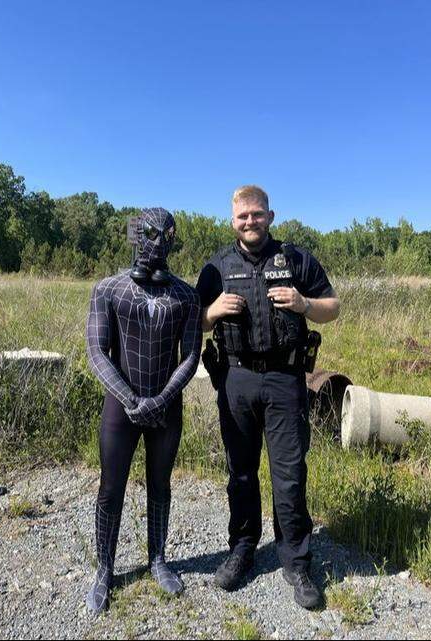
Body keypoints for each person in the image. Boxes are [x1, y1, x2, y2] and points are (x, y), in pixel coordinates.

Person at [195, 185, 340, 609]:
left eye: (257, 215)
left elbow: (332, 307)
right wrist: (212, 312)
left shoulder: (295, 260)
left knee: (289, 475)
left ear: (270, 216)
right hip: (236, 379)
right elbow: (194, 323)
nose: (250, 222)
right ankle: (242, 548)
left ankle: (296, 561)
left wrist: (303, 302)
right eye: (243, 217)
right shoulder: (216, 267)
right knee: (240, 472)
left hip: (285, 379)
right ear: (232, 221)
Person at [83, 207, 202, 614]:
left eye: (167, 235)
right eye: (151, 233)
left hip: (165, 407)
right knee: (110, 487)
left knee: (161, 484)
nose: (158, 242)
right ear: (135, 233)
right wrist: (130, 399)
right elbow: (97, 351)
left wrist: (161, 399)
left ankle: (157, 559)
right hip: (122, 407)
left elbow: (190, 356)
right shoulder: (109, 290)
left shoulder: (186, 295)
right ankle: (104, 570)